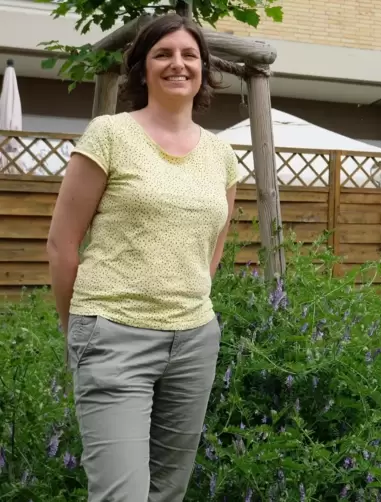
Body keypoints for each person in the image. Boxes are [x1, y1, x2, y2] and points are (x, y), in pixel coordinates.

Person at [47, 13, 239, 502]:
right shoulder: (110, 134)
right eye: (163, 54)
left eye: (189, 55)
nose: (178, 64)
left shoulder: (221, 155)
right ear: (142, 68)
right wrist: (79, 329)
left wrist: (193, 293)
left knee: (167, 493)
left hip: (194, 341)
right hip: (114, 334)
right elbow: (62, 242)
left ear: (204, 69)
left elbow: (215, 238)